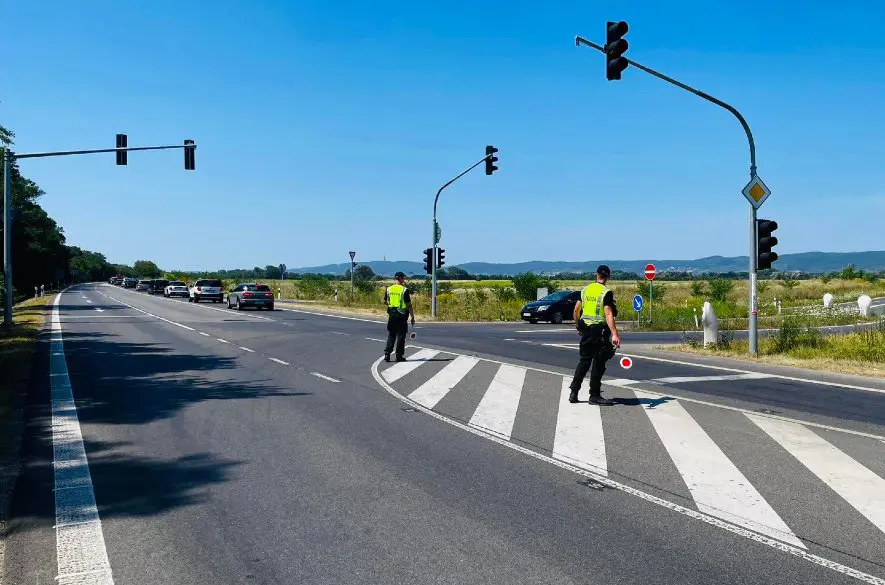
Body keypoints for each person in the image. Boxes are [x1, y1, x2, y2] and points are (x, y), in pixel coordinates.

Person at [568, 265, 621, 406]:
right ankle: (595, 395)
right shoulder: (606, 293)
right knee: (598, 363)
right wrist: (615, 334)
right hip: (599, 332)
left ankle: (574, 392)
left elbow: (576, 310)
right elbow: (609, 314)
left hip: (586, 330)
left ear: (596, 275)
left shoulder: (585, 290)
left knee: (584, 362)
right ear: (608, 276)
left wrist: (578, 325)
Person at [383, 271, 415, 362]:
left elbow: (385, 301)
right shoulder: (404, 290)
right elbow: (409, 305)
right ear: (400, 278)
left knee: (392, 334)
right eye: (403, 278)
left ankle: (387, 354)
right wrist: (412, 316)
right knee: (401, 336)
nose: (404, 279)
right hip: (401, 315)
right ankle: (398, 356)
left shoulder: (389, 289)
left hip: (392, 315)